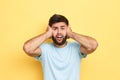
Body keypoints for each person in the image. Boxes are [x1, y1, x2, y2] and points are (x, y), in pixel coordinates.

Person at [23, 14, 98, 80]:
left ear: (67, 29)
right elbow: (27, 48)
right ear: (50, 30)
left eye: (62, 28)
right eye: (55, 28)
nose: (59, 32)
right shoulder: (45, 49)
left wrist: (71, 34)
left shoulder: (76, 48)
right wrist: (47, 34)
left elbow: (93, 45)